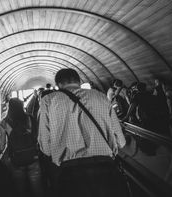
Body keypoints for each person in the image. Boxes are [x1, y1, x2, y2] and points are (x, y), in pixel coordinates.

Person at [38, 68, 128, 197]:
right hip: (106, 168)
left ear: (58, 85)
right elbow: (121, 141)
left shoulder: (48, 101)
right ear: (79, 81)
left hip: (70, 173)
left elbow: (45, 147)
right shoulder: (101, 96)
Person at [0, 98, 43, 196]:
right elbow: (38, 136)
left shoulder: (4, 122)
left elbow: (2, 146)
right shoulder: (30, 118)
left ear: (9, 107)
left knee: (20, 189)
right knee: (37, 190)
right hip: (33, 157)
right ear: (21, 106)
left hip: (16, 160)